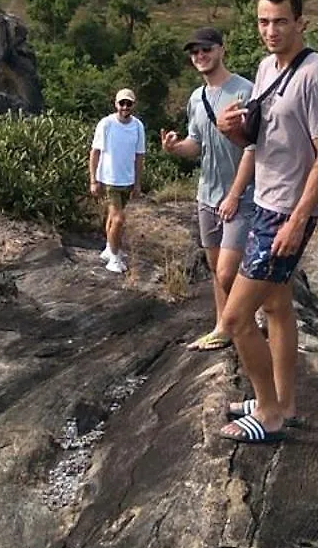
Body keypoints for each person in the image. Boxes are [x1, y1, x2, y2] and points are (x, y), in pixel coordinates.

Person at [214, 0, 318, 444]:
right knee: (277, 304)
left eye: (280, 21)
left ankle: (268, 413)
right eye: (263, 21)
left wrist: (297, 221)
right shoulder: (267, 67)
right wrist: (229, 129)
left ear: (301, 22)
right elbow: (259, 140)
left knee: (233, 320)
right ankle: (283, 399)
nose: (270, 30)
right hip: (265, 200)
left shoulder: (316, 75)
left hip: (286, 212)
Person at [160, 26, 256, 352]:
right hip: (207, 195)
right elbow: (196, 145)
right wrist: (175, 148)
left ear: (221, 49)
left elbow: (254, 149)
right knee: (216, 269)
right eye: (195, 52)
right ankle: (222, 327)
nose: (200, 56)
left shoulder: (245, 91)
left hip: (241, 197)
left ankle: (248, 320)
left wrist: (234, 195)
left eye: (206, 49)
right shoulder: (196, 99)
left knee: (230, 271)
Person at [89, 88, 146, 274]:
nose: (125, 107)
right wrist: (93, 180)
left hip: (127, 179)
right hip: (110, 179)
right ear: (116, 104)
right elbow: (95, 152)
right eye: (122, 103)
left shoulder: (138, 126)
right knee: (118, 219)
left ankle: (109, 247)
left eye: (128, 103)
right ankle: (114, 258)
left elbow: (139, 156)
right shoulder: (106, 124)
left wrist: (137, 183)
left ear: (133, 105)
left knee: (113, 218)